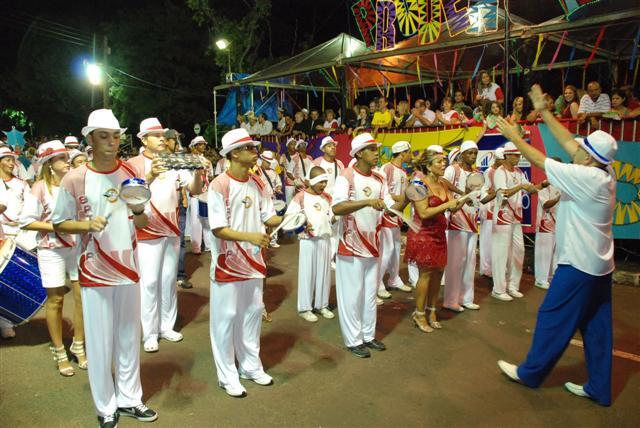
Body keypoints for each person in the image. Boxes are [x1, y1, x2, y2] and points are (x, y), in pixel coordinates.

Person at [496, 84, 617, 407]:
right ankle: (599, 388)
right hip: (600, 266)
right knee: (596, 330)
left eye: (582, 149)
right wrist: (545, 111)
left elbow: (539, 158)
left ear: (589, 159)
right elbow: (567, 141)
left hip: (579, 265)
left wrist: (514, 135)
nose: (574, 148)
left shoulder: (586, 178)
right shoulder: (606, 172)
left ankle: (531, 373)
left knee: (552, 316)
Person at [52, 109, 158, 427]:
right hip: (95, 268)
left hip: (128, 266)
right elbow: (59, 222)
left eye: (115, 136)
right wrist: (85, 224)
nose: (111, 142)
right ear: (90, 139)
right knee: (99, 341)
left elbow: (142, 221)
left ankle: (130, 398)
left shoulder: (129, 172)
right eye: (103, 136)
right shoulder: (75, 178)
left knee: (128, 336)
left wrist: (138, 206)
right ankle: (105, 405)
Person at [207, 128, 282, 398]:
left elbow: (270, 217)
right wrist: (251, 235)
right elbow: (218, 228)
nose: (255, 151)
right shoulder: (219, 185)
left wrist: (294, 218)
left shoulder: (260, 182)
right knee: (225, 318)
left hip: (253, 262)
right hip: (227, 263)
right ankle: (226, 374)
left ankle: (250, 365)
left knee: (251, 313)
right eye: (249, 148)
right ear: (234, 153)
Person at [128, 118, 206, 353]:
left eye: (163, 134)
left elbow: (194, 190)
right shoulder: (134, 164)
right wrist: (150, 175)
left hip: (171, 229)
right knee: (149, 282)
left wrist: (198, 172)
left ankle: (166, 326)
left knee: (168, 280)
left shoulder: (174, 161)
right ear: (143, 139)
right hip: (146, 230)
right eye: (156, 135)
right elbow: (131, 194)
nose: (162, 138)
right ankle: (150, 332)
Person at [20, 140, 87, 376]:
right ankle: (59, 351)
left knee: (82, 297)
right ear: (49, 164)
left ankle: (79, 345)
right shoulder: (39, 187)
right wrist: (57, 227)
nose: (67, 161)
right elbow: (26, 221)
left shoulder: (76, 183)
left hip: (78, 246)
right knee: (56, 300)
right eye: (61, 158)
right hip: (51, 249)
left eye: (66, 157)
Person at [332, 132, 402, 358]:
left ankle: (368, 336)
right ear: (359, 152)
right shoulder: (346, 176)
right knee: (352, 295)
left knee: (370, 294)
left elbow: (390, 204)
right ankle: (353, 340)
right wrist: (367, 202)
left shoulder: (380, 179)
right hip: (350, 246)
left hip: (373, 245)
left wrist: (409, 197)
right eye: (372, 150)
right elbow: (337, 208)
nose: (377, 154)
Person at [405, 151, 464, 333]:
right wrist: (447, 205)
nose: (443, 164)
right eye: (439, 161)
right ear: (428, 166)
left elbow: (452, 206)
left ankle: (431, 311)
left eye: (444, 161)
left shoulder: (443, 183)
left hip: (439, 233)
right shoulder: (418, 184)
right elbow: (423, 212)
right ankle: (419, 313)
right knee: (426, 275)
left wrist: (463, 200)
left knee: (438, 273)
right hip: (423, 234)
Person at [491, 142, 546, 301]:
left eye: (519, 155)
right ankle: (498, 289)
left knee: (519, 251)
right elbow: (503, 193)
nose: (518, 157)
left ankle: (513, 286)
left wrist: (544, 184)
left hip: (515, 217)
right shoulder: (500, 172)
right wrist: (521, 186)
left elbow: (531, 189)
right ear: (507, 155)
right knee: (501, 254)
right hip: (503, 216)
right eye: (515, 155)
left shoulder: (519, 171)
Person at [286, 166, 335, 322]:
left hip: (325, 239)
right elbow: (288, 219)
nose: (323, 185)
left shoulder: (327, 197)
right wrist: (301, 226)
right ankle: (305, 308)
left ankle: (322, 305)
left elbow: (332, 216)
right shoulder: (300, 197)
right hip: (308, 240)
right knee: (308, 274)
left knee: (324, 274)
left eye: (325, 182)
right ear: (312, 181)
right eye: (321, 182)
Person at [443, 141, 481, 312]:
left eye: (475, 153)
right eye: (470, 153)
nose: (473, 156)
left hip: (473, 221)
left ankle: (466, 298)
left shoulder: (477, 173)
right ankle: (450, 300)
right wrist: (462, 193)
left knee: (470, 262)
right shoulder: (453, 169)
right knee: (456, 262)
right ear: (462, 154)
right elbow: (443, 183)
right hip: (457, 220)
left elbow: (482, 194)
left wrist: (497, 193)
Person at [0, 145, 31, 339]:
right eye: (8, 160)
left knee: (16, 280)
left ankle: (11, 316)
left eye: (13, 160)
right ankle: (4, 322)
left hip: (21, 235)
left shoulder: (22, 184)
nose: (12, 163)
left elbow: (29, 208)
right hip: (1, 235)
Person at [377, 141, 413, 299]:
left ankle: (394, 279)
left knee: (396, 249)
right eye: (409, 152)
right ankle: (377, 284)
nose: (411, 155)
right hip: (387, 213)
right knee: (387, 250)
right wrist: (406, 197)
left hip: (398, 215)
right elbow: (383, 192)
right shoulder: (386, 168)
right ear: (403, 153)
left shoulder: (404, 172)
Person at [534, 162, 561, 290]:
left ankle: (552, 277)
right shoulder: (544, 185)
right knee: (544, 253)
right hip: (545, 223)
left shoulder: (562, 185)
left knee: (556, 253)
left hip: (558, 223)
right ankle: (540, 279)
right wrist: (558, 198)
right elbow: (545, 204)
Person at [478, 147, 504, 277]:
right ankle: (486, 268)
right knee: (486, 241)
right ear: (496, 159)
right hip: (488, 208)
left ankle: (493, 267)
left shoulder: (501, 170)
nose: (504, 162)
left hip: (497, 209)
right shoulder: (489, 171)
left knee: (495, 240)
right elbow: (486, 191)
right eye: (502, 160)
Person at [188, 136, 213, 254]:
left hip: (205, 192)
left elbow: (211, 176)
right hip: (194, 193)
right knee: (196, 220)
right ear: (195, 146)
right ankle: (196, 247)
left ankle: (208, 245)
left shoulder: (207, 161)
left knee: (206, 219)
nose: (203, 146)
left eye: (203, 144)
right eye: (200, 144)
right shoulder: (189, 161)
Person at [258, 150, 283, 248]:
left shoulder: (273, 172)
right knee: (262, 222)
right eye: (267, 162)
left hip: (272, 199)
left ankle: (273, 241)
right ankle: (263, 241)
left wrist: (278, 188)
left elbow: (279, 183)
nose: (268, 164)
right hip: (261, 200)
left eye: (270, 162)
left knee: (273, 219)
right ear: (262, 160)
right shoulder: (257, 172)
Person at [280, 137, 298, 203]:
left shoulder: (299, 155)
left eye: (295, 144)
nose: (294, 146)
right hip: (289, 183)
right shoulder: (284, 156)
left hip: (299, 183)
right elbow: (279, 168)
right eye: (292, 144)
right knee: (289, 202)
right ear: (288, 146)